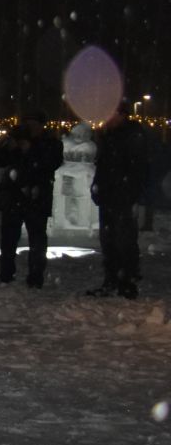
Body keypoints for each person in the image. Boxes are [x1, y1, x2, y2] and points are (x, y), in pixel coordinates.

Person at [0, 116, 64, 288]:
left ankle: (35, 277)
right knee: (9, 238)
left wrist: (30, 150)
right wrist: (9, 145)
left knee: (37, 240)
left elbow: (50, 163)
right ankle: (6, 275)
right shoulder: (16, 139)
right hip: (14, 196)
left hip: (36, 197)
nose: (32, 128)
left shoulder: (50, 142)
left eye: (35, 124)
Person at [87, 103, 149, 299]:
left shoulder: (130, 135)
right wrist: (98, 188)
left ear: (121, 114)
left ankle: (126, 282)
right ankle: (112, 280)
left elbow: (137, 168)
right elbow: (103, 166)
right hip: (109, 195)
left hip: (121, 196)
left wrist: (129, 193)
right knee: (109, 240)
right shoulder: (109, 135)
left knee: (124, 240)